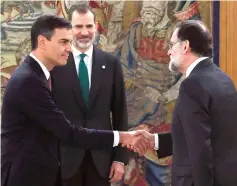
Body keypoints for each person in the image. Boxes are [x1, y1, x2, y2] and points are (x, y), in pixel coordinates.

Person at [1, 14, 153, 186]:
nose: (69, 48)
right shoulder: (29, 80)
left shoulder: (35, 75)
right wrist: (124, 137)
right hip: (26, 177)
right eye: (63, 42)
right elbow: (68, 132)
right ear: (42, 42)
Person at [51, 4, 128, 186]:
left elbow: (120, 114)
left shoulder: (111, 64)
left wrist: (120, 159)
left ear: (96, 26)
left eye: (89, 26)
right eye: (78, 27)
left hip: (101, 160)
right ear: (69, 29)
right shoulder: (55, 65)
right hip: (64, 161)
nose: (84, 32)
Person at [167, 20, 237, 186]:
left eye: (171, 44)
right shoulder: (225, 79)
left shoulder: (192, 85)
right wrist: (154, 141)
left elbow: (200, 150)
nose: (169, 51)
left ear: (185, 46)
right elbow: (213, 136)